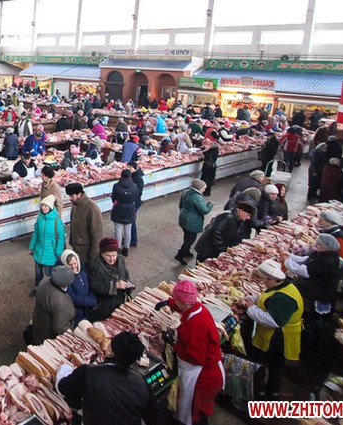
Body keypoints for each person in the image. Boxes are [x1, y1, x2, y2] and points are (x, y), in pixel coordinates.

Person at [155, 280, 224, 425]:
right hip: (208, 372)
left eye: (177, 301)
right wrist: (170, 303)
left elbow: (194, 357)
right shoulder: (198, 308)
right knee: (199, 411)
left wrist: (173, 344)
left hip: (202, 377)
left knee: (194, 415)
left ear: (184, 303)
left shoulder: (196, 325)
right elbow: (186, 306)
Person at [57, 332, 163, 425]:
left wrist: (64, 369)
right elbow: (156, 419)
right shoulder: (141, 382)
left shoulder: (88, 372)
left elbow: (63, 387)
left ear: (110, 352)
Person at [244, 259, 304, 399]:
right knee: (276, 365)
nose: (262, 282)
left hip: (278, 337)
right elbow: (269, 299)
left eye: (264, 279)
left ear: (272, 280)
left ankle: (259, 393)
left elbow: (273, 321)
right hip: (278, 335)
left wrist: (251, 308)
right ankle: (273, 391)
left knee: (262, 363)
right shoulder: (282, 286)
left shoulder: (284, 298)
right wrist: (255, 299)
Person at [284, 233, 342, 362]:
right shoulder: (324, 255)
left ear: (326, 247)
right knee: (312, 320)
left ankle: (309, 352)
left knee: (314, 322)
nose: (315, 246)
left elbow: (304, 271)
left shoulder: (327, 261)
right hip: (317, 292)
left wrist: (286, 261)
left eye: (318, 244)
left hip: (320, 295)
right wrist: (290, 256)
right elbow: (306, 260)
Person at [86, 238, 134, 321]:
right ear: (101, 253)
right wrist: (114, 285)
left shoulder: (121, 260)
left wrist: (129, 284)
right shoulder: (94, 265)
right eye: (108, 256)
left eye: (114, 255)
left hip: (120, 302)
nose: (112, 259)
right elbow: (93, 285)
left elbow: (126, 274)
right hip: (103, 307)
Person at [29, 196, 66, 293]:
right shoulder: (40, 217)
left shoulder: (57, 220)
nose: (44, 208)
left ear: (50, 207)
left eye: (46, 206)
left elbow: (61, 237)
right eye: (42, 206)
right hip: (39, 251)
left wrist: (58, 252)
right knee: (38, 273)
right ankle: (38, 289)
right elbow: (36, 233)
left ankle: (49, 292)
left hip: (51, 254)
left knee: (49, 274)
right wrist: (31, 246)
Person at [31, 265, 76, 344]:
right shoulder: (60, 301)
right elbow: (60, 329)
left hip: (38, 326)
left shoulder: (45, 281)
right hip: (48, 338)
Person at [175, 179, 214, 265]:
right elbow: (204, 210)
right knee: (190, 239)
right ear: (199, 188)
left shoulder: (186, 192)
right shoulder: (197, 197)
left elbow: (180, 205)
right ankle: (180, 255)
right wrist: (210, 204)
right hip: (192, 222)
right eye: (204, 188)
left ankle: (187, 252)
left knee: (187, 236)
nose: (204, 190)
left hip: (183, 218)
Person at [66, 183, 103, 261]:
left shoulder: (92, 208)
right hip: (76, 247)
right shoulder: (75, 205)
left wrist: (94, 254)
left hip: (86, 250)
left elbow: (97, 234)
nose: (70, 198)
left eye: (71, 196)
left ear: (79, 194)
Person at [61, 249, 96, 326]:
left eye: (75, 263)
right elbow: (73, 297)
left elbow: (90, 287)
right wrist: (91, 301)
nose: (73, 267)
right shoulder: (66, 279)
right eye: (70, 265)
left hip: (88, 310)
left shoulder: (83, 272)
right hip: (77, 314)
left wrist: (92, 299)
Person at [110, 169, 138, 256]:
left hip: (119, 208)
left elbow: (114, 197)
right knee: (128, 229)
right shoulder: (134, 186)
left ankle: (118, 248)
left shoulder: (116, 186)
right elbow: (136, 197)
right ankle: (126, 248)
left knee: (118, 229)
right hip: (130, 209)